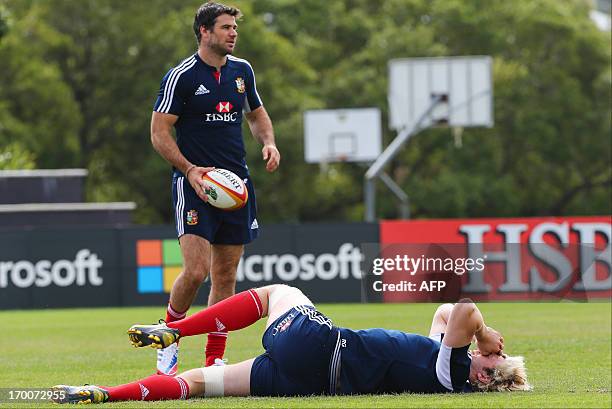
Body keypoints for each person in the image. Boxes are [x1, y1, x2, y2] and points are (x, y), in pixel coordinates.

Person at [52, 285, 531, 403]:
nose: (489, 347)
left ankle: (178, 329)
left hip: (320, 347)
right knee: (197, 384)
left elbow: (465, 310)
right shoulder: (443, 366)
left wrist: (486, 332)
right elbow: (445, 315)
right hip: (304, 381)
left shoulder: (450, 372)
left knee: (276, 294)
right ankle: (102, 394)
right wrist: (482, 344)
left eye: (494, 356)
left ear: (486, 372)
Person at [149, 1, 280, 376]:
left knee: (225, 276)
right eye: (225, 27)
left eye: (234, 27)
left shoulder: (242, 71)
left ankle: (214, 360)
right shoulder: (182, 76)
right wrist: (189, 170)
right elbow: (159, 133)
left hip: (235, 187)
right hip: (194, 185)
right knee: (194, 272)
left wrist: (267, 142)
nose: (233, 33)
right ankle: (167, 341)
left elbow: (256, 114)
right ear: (205, 32)